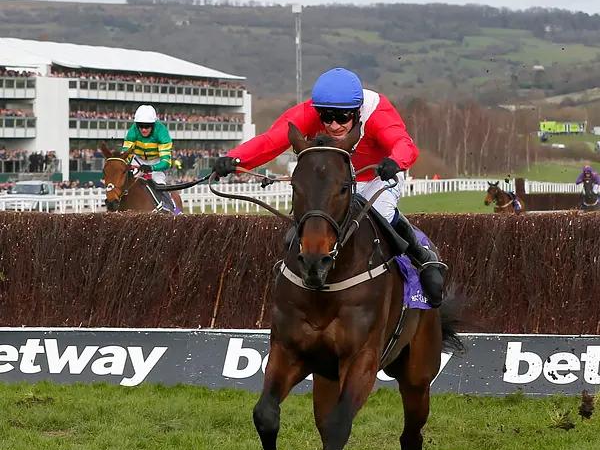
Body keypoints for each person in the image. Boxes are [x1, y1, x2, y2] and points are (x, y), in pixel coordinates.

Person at [213, 67, 445, 307]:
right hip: (337, 180)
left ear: (357, 111)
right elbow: (272, 141)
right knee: (313, 213)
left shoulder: (377, 112)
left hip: (378, 176)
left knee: (379, 215)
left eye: (342, 117)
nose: (334, 125)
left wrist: (395, 161)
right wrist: (235, 159)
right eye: (327, 116)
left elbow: (404, 144)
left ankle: (423, 258)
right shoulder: (308, 112)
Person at [122, 105, 181, 213]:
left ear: (153, 125)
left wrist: (151, 168)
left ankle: (171, 208)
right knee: (126, 182)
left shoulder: (162, 132)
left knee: (159, 182)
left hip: (156, 161)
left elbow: (166, 162)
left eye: (147, 126)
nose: (143, 129)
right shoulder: (132, 131)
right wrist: (126, 164)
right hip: (138, 159)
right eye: (140, 126)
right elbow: (126, 154)